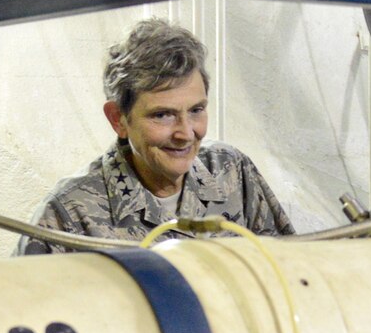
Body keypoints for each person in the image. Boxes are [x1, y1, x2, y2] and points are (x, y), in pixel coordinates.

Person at [20, 19, 293, 253]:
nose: (185, 133)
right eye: (163, 115)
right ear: (118, 119)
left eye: (196, 110)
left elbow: (291, 271)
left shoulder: (232, 172)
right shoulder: (69, 215)